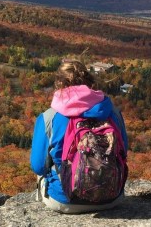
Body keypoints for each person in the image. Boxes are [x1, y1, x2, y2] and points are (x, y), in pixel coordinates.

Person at [30, 60, 128, 213]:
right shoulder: (113, 112)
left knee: (44, 169)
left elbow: (38, 166)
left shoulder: (48, 118)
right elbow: (123, 153)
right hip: (112, 198)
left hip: (64, 200)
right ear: (89, 82)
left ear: (59, 84)